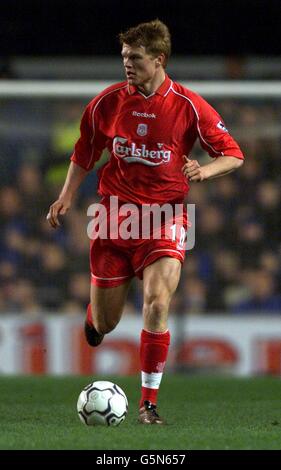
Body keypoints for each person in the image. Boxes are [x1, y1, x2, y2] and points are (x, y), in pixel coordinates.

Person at [47, 19, 244, 424]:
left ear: (159, 59)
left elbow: (234, 153)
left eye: (135, 58)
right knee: (107, 321)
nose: (127, 65)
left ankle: (148, 404)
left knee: (157, 302)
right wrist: (66, 195)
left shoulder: (189, 106)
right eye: (124, 57)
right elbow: (85, 151)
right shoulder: (107, 102)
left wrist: (205, 171)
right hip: (113, 219)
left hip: (165, 216)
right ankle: (94, 318)